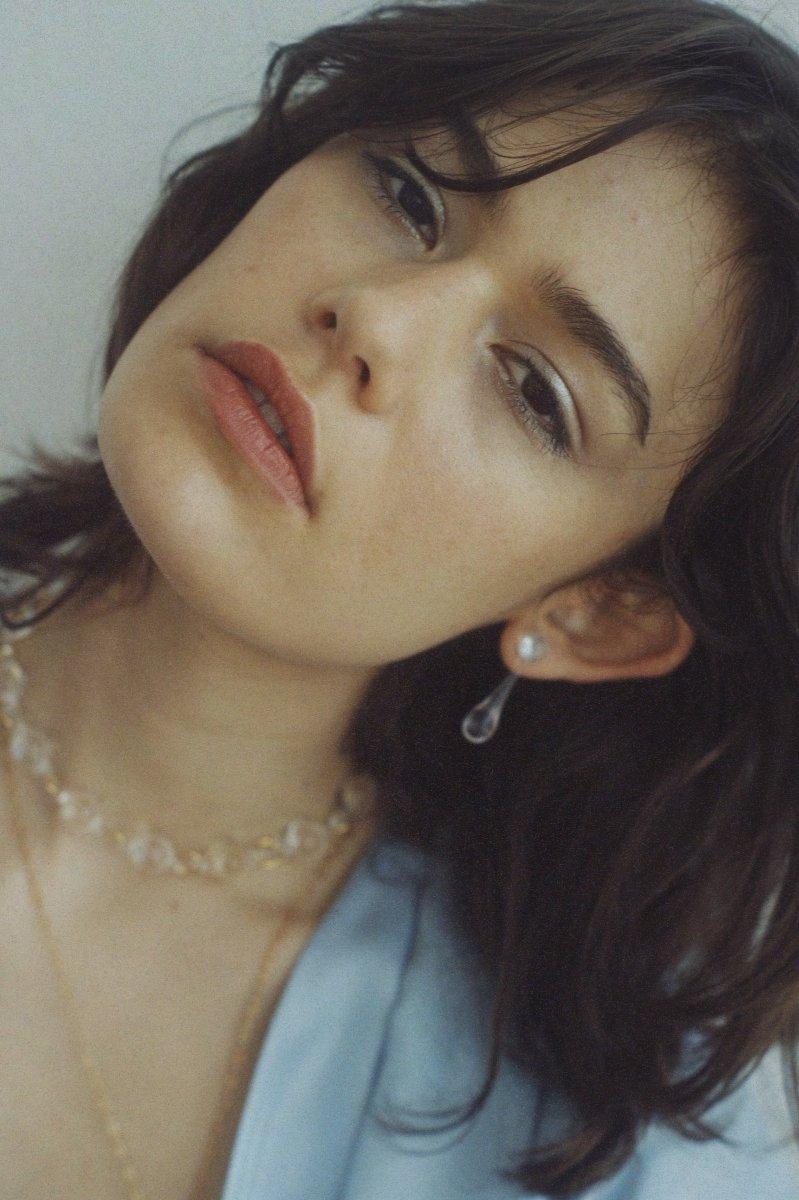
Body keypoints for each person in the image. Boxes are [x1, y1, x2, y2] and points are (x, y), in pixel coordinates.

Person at [1, 0, 798, 1196]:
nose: (375, 310)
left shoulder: (623, 1144)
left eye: (533, 391)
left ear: (596, 613)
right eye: (408, 195)